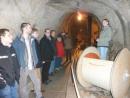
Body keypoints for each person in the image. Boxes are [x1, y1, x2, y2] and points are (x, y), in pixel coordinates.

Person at [13, 23, 44, 98]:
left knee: (37, 81)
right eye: (29, 28)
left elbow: (34, 52)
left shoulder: (32, 39)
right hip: (23, 67)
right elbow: (15, 54)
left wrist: (35, 61)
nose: (31, 29)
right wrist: (19, 65)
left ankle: (39, 96)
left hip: (32, 65)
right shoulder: (17, 41)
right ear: (24, 28)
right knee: (23, 85)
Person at [0, 28, 20, 98]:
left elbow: (16, 64)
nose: (11, 36)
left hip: (14, 81)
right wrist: (3, 83)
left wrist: (17, 77)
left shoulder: (12, 48)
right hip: (4, 85)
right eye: (8, 35)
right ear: (2, 37)